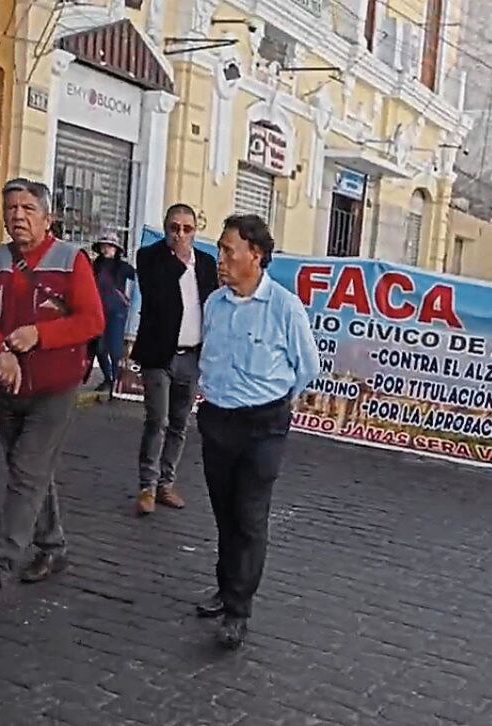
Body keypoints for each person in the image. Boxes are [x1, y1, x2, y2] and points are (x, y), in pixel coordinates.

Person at [0, 178, 105, 608]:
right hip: (5, 386)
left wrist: (38, 335)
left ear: (47, 217)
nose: (17, 217)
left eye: (27, 209)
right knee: (29, 472)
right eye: (10, 210)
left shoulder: (71, 259)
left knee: (26, 471)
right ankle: (52, 544)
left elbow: (92, 321)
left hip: (54, 388)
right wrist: (1, 349)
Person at [193, 214, 319, 649]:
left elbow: (308, 367)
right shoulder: (214, 303)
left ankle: (238, 610)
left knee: (249, 516)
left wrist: (275, 402)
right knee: (225, 515)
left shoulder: (284, 307)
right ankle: (226, 589)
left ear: (257, 255)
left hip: (263, 426)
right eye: (220, 250)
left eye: (229, 251)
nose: (220, 260)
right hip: (217, 421)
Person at [126, 204, 218, 516]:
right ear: (166, 229)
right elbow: (156, 295)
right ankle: (147, 486)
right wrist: (178, 261)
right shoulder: (150, 258)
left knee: (179, 423)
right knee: (157, 420)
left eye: (187, 229)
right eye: (174, 228)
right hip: (159, 355)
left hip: (191, 356)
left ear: (195, 231)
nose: (180, 234)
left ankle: (166, 482)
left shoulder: (206, 263)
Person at [89, 231, 135, 391]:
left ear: (116, 249)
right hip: (98, 312)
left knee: (116, 351)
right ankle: (109, 378)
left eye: (110, 245)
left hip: (117, 313)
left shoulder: (123, 267)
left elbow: (140, 280)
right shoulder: (94, 265)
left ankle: (117, 382)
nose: (106, 248)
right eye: (104, 245)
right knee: (100, 349)